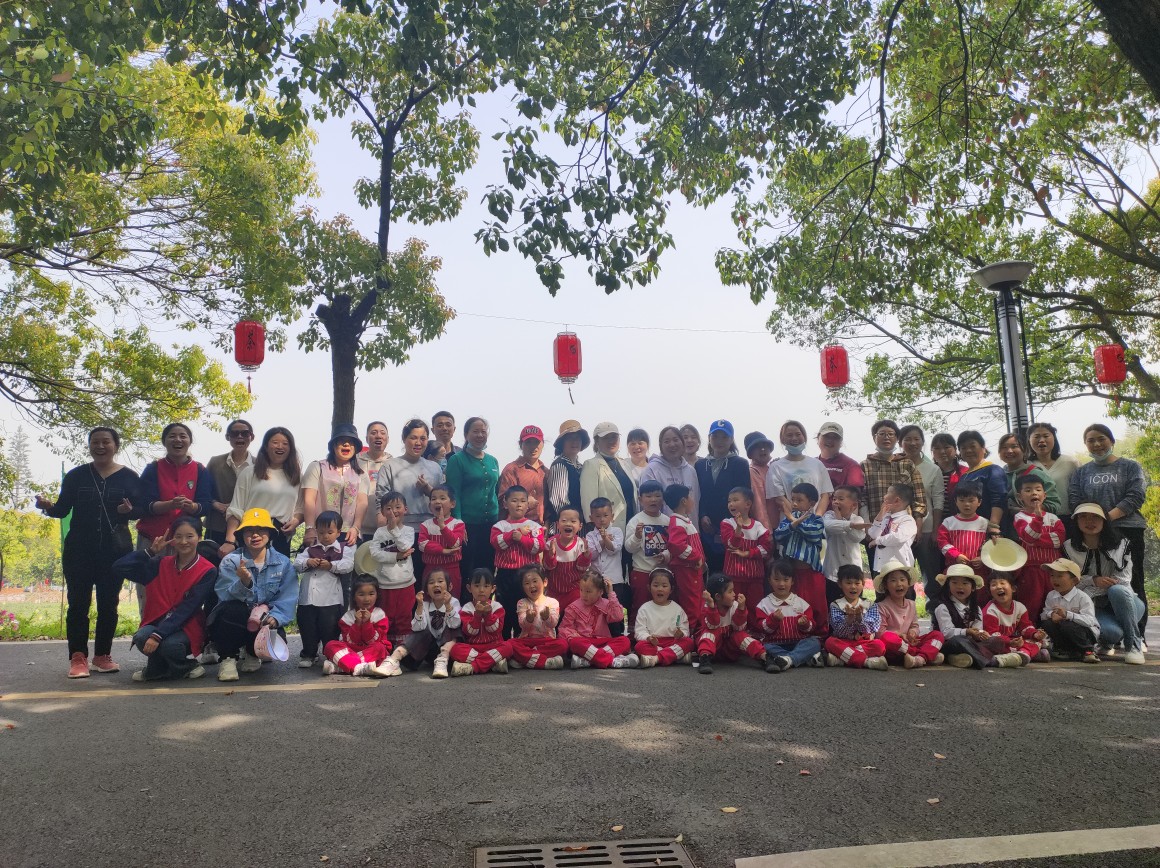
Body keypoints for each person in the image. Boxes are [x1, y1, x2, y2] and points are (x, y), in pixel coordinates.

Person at [36, 427, 139, 679]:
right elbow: (62, 509)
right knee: (78, 605)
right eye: (95, 442)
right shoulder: (76, 475)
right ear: (90, 446)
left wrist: (128, 512)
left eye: (106, 442)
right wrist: (47, 507)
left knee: (109, 605)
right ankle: (78, 657)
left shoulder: (129, 477)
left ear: (116, 445)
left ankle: (102, 655)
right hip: (79, 551)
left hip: (114, 552)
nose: (100, 446)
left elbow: (140, 511)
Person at [114, 516, 217, 682]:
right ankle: (163, 668)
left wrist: (157, 635)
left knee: (170, 646)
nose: (184, 541)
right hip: (156, 622)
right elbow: (119, 567)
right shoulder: (159, 564)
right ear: (172, 540)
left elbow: (188, 609)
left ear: (199, 537)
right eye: (178, 536)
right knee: (141, 637)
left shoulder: (208, 570)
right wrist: (150, 552)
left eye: (189, 536)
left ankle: (184, 666)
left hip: (187, 626)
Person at [1068, 424, 1149, 631]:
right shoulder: (1081, 472)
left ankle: (1138, 632)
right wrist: (1094, 521)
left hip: (1127, 528)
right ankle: (1107, 629)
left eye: (1101, 439)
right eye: (1091, 440)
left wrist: (1105, 518)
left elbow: (1135, 496)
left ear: (1111, 441)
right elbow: (1075, 499)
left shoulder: (1130, 466)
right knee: (1097, 580)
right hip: (1092, 533)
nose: (1096, 444)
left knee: (1132, 580)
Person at [134, 422, 216, 613]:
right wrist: (169, 504)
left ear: (189, 441)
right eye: (172, 436)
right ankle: (148, 625)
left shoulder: (200, 470)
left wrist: (192, 506)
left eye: (182, 436)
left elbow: (206, 504)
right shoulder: (153, 468)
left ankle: (181, 628)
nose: (177, 440)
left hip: (185, 540)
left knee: (186, 587)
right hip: (154, 538)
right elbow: (143, 505)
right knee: (149, 586)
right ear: (164, 441)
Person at [209, 507, 297, 682]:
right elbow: (224, 596)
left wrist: (276, 617)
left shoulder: (283, 563)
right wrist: (244, 583)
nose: (255, 535)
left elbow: (288, 597)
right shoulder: (231, 561)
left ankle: (252, 652)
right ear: (241, 535)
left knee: (276, 637)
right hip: (236, 619)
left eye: (261, 530)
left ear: (270, 534)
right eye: (249, 530)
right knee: (233, 611)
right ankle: (228, 658)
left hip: (263, 619)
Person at [1064, 503, 1146, 664]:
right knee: (1110, 633)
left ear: (1104, 520)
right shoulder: (1069, 547)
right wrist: (1093, 580)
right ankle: (1108, 642)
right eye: (1083, 517)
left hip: (1127, 602)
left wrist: (1093, 584)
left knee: (1117, 590)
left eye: (1095, 516)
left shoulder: (1121, 544)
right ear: (1076, 521)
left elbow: (1123, 580)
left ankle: (1134, 645)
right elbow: (1071, 582)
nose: (1089, 521)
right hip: (1096, 605)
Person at [376, 419, 444, 580]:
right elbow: (381, 501)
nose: (418, 443)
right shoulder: (390, 466)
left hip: (430, 532)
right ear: (404, 438)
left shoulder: (434, 468)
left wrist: (428, 490)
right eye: (413, 437)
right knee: (401, 577)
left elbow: (442, 500)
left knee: (428, 578)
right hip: (399, 531)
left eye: (423, 438)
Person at [223, 427, 303, 559]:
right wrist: (229, 541)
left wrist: (296, 521)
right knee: (247, 571)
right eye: (275, 442)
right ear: (266, 446)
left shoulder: (296, 476)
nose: (280, 446)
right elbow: (236, 508)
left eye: (285, 443)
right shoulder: (250, 472)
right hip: (252, 533)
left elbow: (301, 508)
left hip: (280, 535)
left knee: (279, 571)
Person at [294, 510, 353, 668]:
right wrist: (308, 562)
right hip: (308, 597)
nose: (325, 536)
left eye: (329, 532)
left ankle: (330, 654)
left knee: (330, 628)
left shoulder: (343, 549)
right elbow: (297, 564)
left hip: (330, 598)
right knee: (308, 626)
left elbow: (348, 565)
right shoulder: (309, 549)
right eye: (321, 532)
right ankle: (309, 653)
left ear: (338, 532)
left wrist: (331, 565)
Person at [445, 416, 500, 579]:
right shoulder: (457, 460)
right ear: (466, 434)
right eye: (475, 431)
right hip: (468, 524)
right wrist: (458, 522)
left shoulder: (493, 461)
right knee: (468, 567)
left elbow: (496, 491)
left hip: (491, 523)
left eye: (483, 431)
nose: (480, 435)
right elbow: (453, 492)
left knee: (488, 566)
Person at [302, 423, 371, 550]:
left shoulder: (361, 474)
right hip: (321, 532)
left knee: (347, 562)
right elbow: (309, 499)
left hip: (348, 533)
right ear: (333, 445)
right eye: (342, 441)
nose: (346, 444)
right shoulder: (317, 467)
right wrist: (310, 528)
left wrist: (356, 527)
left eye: (351, 442)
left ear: (355, 448)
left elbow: (362, 503)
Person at [696, 420, 750, 573]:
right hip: (707, 527)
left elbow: (744, 494)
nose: (719, 441)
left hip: (732, 526)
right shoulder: (700, 465)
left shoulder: (740, 463)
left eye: (724, 437)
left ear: (731, 439)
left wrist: (734, 522)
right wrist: (702, 515)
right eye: (715, 437)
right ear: (709, 438)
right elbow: (699, 494)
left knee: (731, 571)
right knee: (709, 571)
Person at [490, 485, 544, 638]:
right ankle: (505, 642)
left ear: (528, 505)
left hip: (528, 575)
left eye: (522, 501)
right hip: (505, 575)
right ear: (505, 504)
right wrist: (514, 534)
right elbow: (497, 543)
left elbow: (538, 547)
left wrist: (521, 539)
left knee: (527, 610)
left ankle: (525, 641)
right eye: (514, 501)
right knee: (505, 609)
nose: (519, 504)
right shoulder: (499, 526)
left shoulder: (534, 526)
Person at [873, 559, 944, 669]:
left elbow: (915, 626)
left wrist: (912, 632)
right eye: (893, 580)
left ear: (908, 583)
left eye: (902, 579)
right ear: (885, 585)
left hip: (909, 643)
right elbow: (880, 633)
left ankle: (919, 658)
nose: (899, 584)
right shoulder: (881, 606)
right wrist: (899, 635)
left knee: (937, 635)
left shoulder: (911, 604)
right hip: (895, 645)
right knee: (887, 638)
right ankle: (924, 654)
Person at [1011, 475, 1064, 624]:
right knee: (1031, 603)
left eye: (1038, 489)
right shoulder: (1020, 517)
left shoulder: (1054, 517)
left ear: (1044, 495)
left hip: (1054, 569)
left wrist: (1035, 540)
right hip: (1031, 569)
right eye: (1028, 490)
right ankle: (1029, 631)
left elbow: (1058, 540)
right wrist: (1038, 521)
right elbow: (1028, 537)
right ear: (1019, 496)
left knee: (1054, 602)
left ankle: (1051, 632)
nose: (1034, 493)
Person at [367, 490, 417, 646]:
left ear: (405, 509)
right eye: (388, 508)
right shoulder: (379, 532)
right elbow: (374, 553)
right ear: (382, 512)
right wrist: (396, 556)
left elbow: (405, 547)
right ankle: (385, 645)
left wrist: (395, 529)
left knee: (404, 615)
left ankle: (403, 648)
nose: (393, 511)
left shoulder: (409, 531)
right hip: (385, 583)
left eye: (397, 507)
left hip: (405, 582)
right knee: (386, 615)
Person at [754, 560, 823, 672]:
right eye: (777, 579)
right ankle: (800, 658)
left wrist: (805, 624)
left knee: (814, 642)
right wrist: (773, 619)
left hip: (798, 643)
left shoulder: (801, 603)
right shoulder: (764, 605)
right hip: (775, 644)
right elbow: (762, 629)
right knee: (764, 647)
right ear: (769, 580)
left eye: (786, 580)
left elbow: (811, 627)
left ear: (792, 581)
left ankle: (788, 659)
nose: (781, 584)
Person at [899, 425, 945, 592]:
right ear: (900, 443)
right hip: (901, 532)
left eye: (916, 439)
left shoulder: (933, 469)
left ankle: (935, 607)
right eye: (907, 439)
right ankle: (906, 608)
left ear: (923, 442)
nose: (912, 443)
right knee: (903, 575)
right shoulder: (895, 466)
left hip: (927, 530)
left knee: (931, 575)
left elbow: (938, 501)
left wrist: (936, 530)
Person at [561, 570, 637, 668]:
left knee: (625, 641)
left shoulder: (606, 604)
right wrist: (573, 635)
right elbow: (564, 628)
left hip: (602, 642)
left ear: (600, 592)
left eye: (588, 591)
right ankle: (610, 660)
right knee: (575, 643)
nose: (584, 595)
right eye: (581, 590)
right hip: (584, 643)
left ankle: (589, 661)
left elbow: (618, 616)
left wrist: (611, 593)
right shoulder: (573, 607)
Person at [392, 568, 461, 678]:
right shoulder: (424, 604)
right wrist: (419, 606)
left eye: (440, 581)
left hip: (448, 651)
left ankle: (442, 661)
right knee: (421, 631)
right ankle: (394, 659)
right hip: (428, 650)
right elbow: (417, 628)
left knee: (454, 630)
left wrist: (448, 606)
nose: (436, 585)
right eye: (431, 582)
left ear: (450, 586)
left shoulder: (454, 602)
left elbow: (455, 624)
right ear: (427, 590)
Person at [321, 577, 395, 677]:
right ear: (354, 597)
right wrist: (357, 624)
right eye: (361, 594)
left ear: (377, 595)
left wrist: (367, 623)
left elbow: (373, 641)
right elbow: (350, 641)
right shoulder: (347, 617)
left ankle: (341, 667)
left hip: (371, 650)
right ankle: (360, 668)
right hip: (352, 649)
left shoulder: (380, 615)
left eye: (371, 594)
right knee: (330, 645)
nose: (367, 599)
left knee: (380, 648)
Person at [766, 420, 832, 532]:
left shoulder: (817, 464)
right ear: (782, 440)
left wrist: (816, 518)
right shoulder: (776, 467)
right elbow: (780, 499)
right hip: (790, 526)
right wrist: (797, 519)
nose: (794, 438)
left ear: (804, 437)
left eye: (798, 434)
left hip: (815, 528)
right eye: (789, 435)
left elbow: (825, 495)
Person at [860, 419, 927, 528]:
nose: (886, 437)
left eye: (891, 434)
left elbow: (919, 497)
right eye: (882, 434)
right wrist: (867, 524)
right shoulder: (865, 465)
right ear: (874, 438)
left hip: (903, 527)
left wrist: (918, 524)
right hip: (875, 526)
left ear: (896, 438)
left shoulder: (907, 464)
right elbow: (862, 498)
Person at [694, 573, 766, 674]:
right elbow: (712, 625)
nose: (734, 594)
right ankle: (705, 658)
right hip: (711, 650)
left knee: (741, 635)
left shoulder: (735, 605)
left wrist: (741, 609)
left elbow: (739, 628)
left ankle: (764, 657)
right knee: (711, 632)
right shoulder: (707, 607)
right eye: (730, 591)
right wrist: (712, 607)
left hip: (730, 651)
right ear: (718, 596)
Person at [720, 486, 771, 628]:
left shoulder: (759, 526)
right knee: (733, 606)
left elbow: (766, 549)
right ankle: (735, 631)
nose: (731, 504)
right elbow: (730, 544)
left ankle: (755, 631)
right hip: (733, 578)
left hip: (755, 578)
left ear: (748, 504)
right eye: (729, 501)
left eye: (735, 500)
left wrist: (747, 553)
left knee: (754, 606)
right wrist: (738, 528)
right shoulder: (727, 523)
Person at [624, 480, 671, 630]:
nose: (653, 500)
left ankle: (660, 633)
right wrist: (637, 536)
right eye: (648, 496)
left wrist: (665, 555)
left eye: (657, 496)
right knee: (639, 605)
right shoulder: (635, 521)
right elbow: (629, 548)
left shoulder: (668, 521)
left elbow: (673, 546)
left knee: (663, 606)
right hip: (642, 571)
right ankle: (635, 635)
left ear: (663, 498)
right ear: (640, 499)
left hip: (663, 572)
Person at [448, 568, 512, 676]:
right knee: (455, 650)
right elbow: (470, 632)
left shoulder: (497, 607)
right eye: (477, 586)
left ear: (493, 589)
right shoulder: (466, 608)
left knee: (508, 647)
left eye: (486, 586)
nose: (481, 590)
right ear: (469, 588)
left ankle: (472, 667)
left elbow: (495, 629)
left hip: (494, 645)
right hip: (473, 647)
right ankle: (492, 663)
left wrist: (488, 615)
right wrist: (477, 615)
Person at [825, 564, 889, 670]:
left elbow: (873, 628)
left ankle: (843, 659)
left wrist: (860, 619)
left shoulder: (870, 604)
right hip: (844, 642)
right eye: (848, 583)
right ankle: (866, 661)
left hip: (864, 643)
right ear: (840, 584)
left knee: (879, 645)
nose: (853, 587)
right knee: (830, 643)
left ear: (863, 584)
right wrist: (848, 621)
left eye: (857, 583)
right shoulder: (836, 605)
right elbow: (838, 631)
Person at [948, 431, 1007, 541]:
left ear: (983, 448)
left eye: (972, 446)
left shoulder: (993, 470)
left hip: (989, 532)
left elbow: (999, 499)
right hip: (968, 531)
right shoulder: (964, 476)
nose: (968, 450)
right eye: (963, 448)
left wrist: (993, 526)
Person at [1040, 558, 1100, 663]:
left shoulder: (1082, 597)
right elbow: (1044, 614)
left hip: (1085, 633)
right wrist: (1051, 614)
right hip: (1065, 631)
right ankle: (1065, 649)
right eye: (1052, 575)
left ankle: (1088, 651)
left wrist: (1068, 615)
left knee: (1068, 625)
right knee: (1048, 623)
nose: (1054, 579)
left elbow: (1090, 621)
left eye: (1060, 576)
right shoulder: (1051, 595)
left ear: (1074, 580)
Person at [580, 421, 635, 534]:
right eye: (606, 438)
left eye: (614, 437)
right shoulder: (591, 465)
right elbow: (588, 505)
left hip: (631, 528)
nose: (611, 441)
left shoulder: (625, 464)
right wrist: (597, 534)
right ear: (597, 442)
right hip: (607, 532)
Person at [932, 564, 991, 669]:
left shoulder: (976, 608)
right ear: (948, 586)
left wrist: (980, 634)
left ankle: (955, 658)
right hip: (948, 643)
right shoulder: (943, 607)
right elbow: (946, 633)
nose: (959, 587)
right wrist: (966, 631)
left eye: (965, 583)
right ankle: (989, 661)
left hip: (970, 643)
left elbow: (977, 629)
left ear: (973, 587)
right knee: (958, 641)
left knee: (996, 641)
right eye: (954, 583)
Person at [664, 483, 705, 633]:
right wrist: (696, 557)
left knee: (697, 598)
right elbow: (676, 545)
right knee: (691, 600)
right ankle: (691, 631)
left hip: (692, 569)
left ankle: (697, 628)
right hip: (686, 570)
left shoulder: (683, 521)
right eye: (690, 497)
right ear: (683, 501)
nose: (693, 501)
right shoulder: (677, 523)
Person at [205, 420, 254, 546]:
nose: (240, 437)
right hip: (217, 524)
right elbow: (203, 491)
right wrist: (216, 504)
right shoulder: (215, 462)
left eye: (245, 433)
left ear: (252, 437)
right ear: (228, 437)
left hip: (249, 527)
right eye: (235, 433)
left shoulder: (260, 465)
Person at [980, 573, 1045, 667]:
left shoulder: (1020, 607)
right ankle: (1029, 654)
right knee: (994, 643)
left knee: (1038, 640)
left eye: (1002, 583)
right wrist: (1010, 642)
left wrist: (1035, 634)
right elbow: (992, 634)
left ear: (1013, 589)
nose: (998, 587)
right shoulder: (990, 611)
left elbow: (1025, 627)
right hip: (1001, 643)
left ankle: (1022, 655)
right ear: (990, 591)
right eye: (993, 585)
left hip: (1015, 642)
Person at [509, 565, 567, 670]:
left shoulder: (552, 602)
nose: (531, 586)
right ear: (523, 587)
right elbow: (522, 625)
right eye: (527, 583)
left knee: (563, 644)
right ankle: (545, 662)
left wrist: (547, 617)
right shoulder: (522, 603)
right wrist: (529, 619)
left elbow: (553, 624)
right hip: (527, 641)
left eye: (535, 581)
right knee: (510, 644)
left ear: (545, 582)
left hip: (546, 641)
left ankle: (525, 659)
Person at [633, 567, 693, 667]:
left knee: (689, 642)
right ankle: (675, 656)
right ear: (649, 587)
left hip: (672, 642)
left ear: (671, 589)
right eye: (656, 585)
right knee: (639, 646)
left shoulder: (677, 609)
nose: (660, 589)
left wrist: (682, 633)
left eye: (664, 586)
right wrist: (648, 638)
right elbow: (639, 631)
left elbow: (685, 629)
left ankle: (656, 659)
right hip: (654, 644)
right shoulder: (644, 608)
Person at [997, 432, 1060, 526]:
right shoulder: (997, 475)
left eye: (1014, 446)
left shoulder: (1037, 474)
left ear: (1025, 450)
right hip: (1004, 529)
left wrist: (1027, 510)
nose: (1009, 451)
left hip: (1034, 529)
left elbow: (1054, 504)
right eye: (1004, 447)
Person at [639, 425, 700, 519]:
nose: (672, 444)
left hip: (690, 526)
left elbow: (696, 502)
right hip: (662, 527)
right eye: (667, 441)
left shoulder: (691, 471)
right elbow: (647, 505)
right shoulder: (651, 470)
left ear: (682, 443)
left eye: (676, 440)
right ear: (661, 446)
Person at [417, 484, 466, 596]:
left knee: (452, 599)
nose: (437, 501)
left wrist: (442, 526)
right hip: (430, 569)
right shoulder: (425, 525)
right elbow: (422, 545)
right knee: (429, 599)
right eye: (433, 499)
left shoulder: (458, 524)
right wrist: (443, 550)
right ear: (430, 505)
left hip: (451, 569)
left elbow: (455, 543)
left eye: (442, 498)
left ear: (452, 504)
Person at [822, 486, 868, 601]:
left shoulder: (858, 520)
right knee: (832, 603)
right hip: (832, 572)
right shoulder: (828, 515)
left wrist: (841, 521)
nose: (836, 502)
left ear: (854, 505)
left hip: (853, 574)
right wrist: (850, 525)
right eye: (834, 499)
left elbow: (856, 537)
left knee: (854, 605)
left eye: (841, 499)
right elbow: (827, 527)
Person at [545, 505, 592, 614]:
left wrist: (586, 556)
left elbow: (582, 568)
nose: (568, 524)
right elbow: (548, 567)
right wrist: (551, 555)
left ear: (580, 526)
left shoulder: (580, 544)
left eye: (573, 521)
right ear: (557, 524)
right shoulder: (551, 543)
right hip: (554, 590)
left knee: (574, 616)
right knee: (553, 617)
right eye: (564, 520)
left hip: (574, 590)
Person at [585, 498, 626, 624]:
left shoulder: (617, 531)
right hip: (596, 580)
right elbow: (591, 555)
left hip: (615, 580)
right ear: (591, 518)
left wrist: (605, 539)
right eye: (598, 516)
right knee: (597, 611)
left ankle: (616, 632)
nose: (602, 519)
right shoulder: (590, 535)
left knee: (615, 610)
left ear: (612, 516)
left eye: (605, 515)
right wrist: (603, 541)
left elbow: (614, 549)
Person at [544, 419, 590, 531]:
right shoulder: (560, 465)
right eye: (570, 438)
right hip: (564, 529)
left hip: (577, 527)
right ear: (562, 443)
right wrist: (571, 522)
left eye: (578, 438)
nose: (575, 442)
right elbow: (558, 501)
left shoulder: (580, 467)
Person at [937, 481, 989, 575]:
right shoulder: (948, 522)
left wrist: (983, 558)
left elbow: (990, 545)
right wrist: (955, 555)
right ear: (956, 502)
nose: (966, 504)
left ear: (979, 502)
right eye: (962, 500)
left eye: (971, 500)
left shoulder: (985, 523)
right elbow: (942, 542)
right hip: (955, 570)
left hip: (978, 571)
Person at [1027, 422, 1079, 516]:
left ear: (1054, 438)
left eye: (1046, 436)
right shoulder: (1025, 465)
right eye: (1036, 437)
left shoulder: (1070, 462)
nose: (1041, 440)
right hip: (1036, 518)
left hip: (1067, 517)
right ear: (1029, 440)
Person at [499, 425, 548, 524]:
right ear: (520, 444)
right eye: (528, 442)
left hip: (540, 528)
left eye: (536, 442)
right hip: (516, 527)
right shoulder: (511, 469)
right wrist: (524, 502)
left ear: (543, 444)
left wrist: (547, 523)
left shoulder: (546, 472)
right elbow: (502, 501)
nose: (533, 447)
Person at [773, 483, 825, 573]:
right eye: (792, 499)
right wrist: (792, 524)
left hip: (809, 570)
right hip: (790, 569)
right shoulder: (788, 518)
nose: (794, 504)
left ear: (812, 503)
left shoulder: (816, 519)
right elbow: (778, 536)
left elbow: (814, 535)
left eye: (799, 500)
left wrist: (794, 521)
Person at [867, 483, 917, 574]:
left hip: (899, 566)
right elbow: (873, 534)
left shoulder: (907, 520)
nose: (884, 496)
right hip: (881, 566)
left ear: (897, 500)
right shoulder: (885, 517)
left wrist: (878, 541)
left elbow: (898, 538)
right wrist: (880, 514)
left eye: (887, 493)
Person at [357, 421, 393, 541]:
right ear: (366, 438)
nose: (378, 436)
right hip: (359, 529)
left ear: (387, 439)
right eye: (373, 433)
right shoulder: (355, 462)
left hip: (386, 528)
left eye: (382, 433)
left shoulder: (393, 464)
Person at [816, 421, 865, 495]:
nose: (830, 440)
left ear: (841, 442)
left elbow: (854, 496)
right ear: (818, 438)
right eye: (826, 436)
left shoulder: (852, 466)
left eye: (835, 438)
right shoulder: (811, 463)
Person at [743, 431, 775, 530]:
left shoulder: (772, 468)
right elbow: (758, 505)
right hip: (769, 530)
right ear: (750, 454)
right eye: (757, 447)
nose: (762, 449)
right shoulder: (753, 471)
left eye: (765, 446)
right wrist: (766, 532)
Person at [930, 432, 967, 503]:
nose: (942, 451)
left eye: (946, 447)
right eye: (937, 448)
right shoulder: (928, 473)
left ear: (955, 449)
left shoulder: (965, 473)